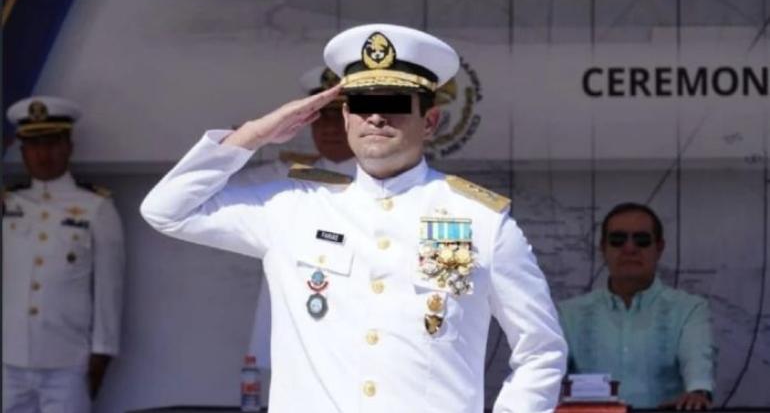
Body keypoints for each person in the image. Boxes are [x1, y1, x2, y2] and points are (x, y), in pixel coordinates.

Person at [141, 23, 566, 412]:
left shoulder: (481, 221)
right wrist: (254, 135)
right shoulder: (290, 204)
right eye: (362, 104)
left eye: (394, 105)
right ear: (346, 117)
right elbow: (167, 210)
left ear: (430, 121)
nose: (376, 117)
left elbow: (541, 349)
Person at [3, 96, 125, 412]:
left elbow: (109, 289)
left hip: (67, 361)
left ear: (68, 146)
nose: (42, 154)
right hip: (8, 359)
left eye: (52, 143)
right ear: (22, 151)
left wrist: (103, 353)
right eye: (33, 145)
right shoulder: (8, 204)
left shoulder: (96, 207)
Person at [240, 66, 356, 392]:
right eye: (320, 117)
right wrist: (248, 139)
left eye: (339, 116)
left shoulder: (391, 183)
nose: (329, 128)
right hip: (300, 339)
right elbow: (196, 195)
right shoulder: (286, 176)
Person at [559, 202, 715, 410]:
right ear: (603, 248)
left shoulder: (690, 310)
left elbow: (698, 365)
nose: (630, 248)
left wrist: (697, 392)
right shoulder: (568, 314)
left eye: (642, 240)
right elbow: (543, 375)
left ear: (659, 248)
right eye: (618, 240)